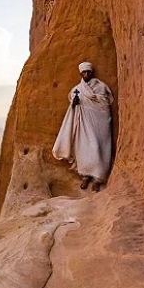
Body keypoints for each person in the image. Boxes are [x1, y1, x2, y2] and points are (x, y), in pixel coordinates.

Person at [52, 61, 114, 191]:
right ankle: (85, 176)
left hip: (99, 124)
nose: (86, 74)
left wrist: (90, 103)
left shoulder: (100, 86)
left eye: (88, 72)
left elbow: (104, 103)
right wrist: (74, 104)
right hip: (83, 126)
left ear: (91, 73)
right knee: (84, 149)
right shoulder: (77, 90)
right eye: (84, 72)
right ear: (81, 73)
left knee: (98, 148)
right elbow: (73, 104)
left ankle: (98, 179)